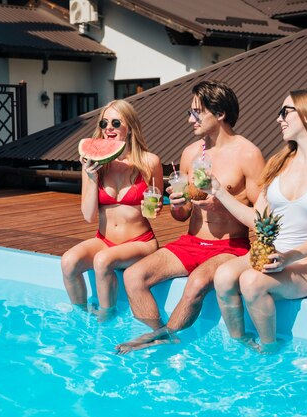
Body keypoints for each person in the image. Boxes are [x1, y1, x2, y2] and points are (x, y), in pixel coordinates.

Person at [116, 80, 265, 353]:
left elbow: (261, 217)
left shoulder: (248, 154)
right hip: (192, 241)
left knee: (196, 282)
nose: (189, 119)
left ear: (219, 114)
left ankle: (161, 340)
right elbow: (182, 215)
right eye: (190, 111)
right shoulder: (190, 153)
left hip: (229, 247)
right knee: (133, 277)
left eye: (197, 112)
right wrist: (177, 205)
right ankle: (161, 334)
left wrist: (222, 204)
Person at [209, 89, 307, 353]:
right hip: (267, 254)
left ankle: (269, 351)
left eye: (285, 112)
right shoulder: (278, 162)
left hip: (304, 262)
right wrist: (218, 191)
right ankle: (240, 345)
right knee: (223, 275)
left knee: (251, 283)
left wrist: (288, 258)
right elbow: (257, 219)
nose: (278, 119)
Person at [61, 100, 163, 321]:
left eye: (116, 122)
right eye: (104, 123)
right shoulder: (93, 164)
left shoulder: (149, 162)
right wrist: (91, 176)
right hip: (104, 239)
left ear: (130, 127)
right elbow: (88, 216)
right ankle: (79, 319)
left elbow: (154, 211)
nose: (108, 128)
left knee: (103, 260)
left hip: (140, 242)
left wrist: (157, 204)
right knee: (68, 261)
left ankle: (106, 321)